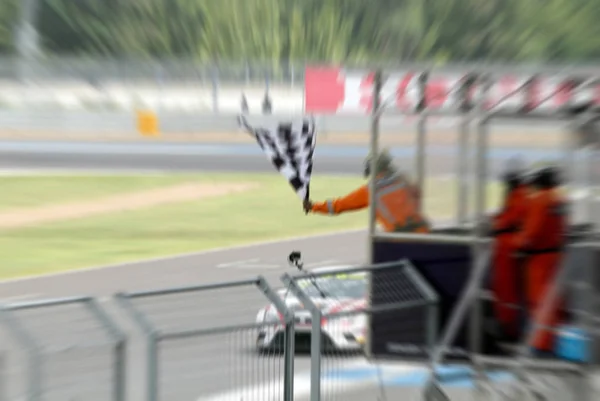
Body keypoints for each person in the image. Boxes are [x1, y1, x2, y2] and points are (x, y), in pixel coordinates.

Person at [302, 149, 430, 233]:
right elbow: (417, 195)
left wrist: (313, 206)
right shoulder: (403, 179)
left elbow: (338, 206)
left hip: (401, 238)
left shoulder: (371, 191)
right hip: (423, 231)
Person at [513, 165, 568, 356]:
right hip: (557, 255)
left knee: (539, 301)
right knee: (555, 300)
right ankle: (555, 341)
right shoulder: (560, 199)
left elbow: (532, 232)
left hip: (540, 259)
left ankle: (542, 345)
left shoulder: (540, 201)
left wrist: (518, 245)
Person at [489, 158, 529, 341]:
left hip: (508, 244)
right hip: (504, 243)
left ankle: (509, 328)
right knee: (503, 288)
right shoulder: (515, 195)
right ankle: (507, 324)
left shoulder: (519, 195)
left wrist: (496, 223)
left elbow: (511, 218)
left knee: (507, 289)